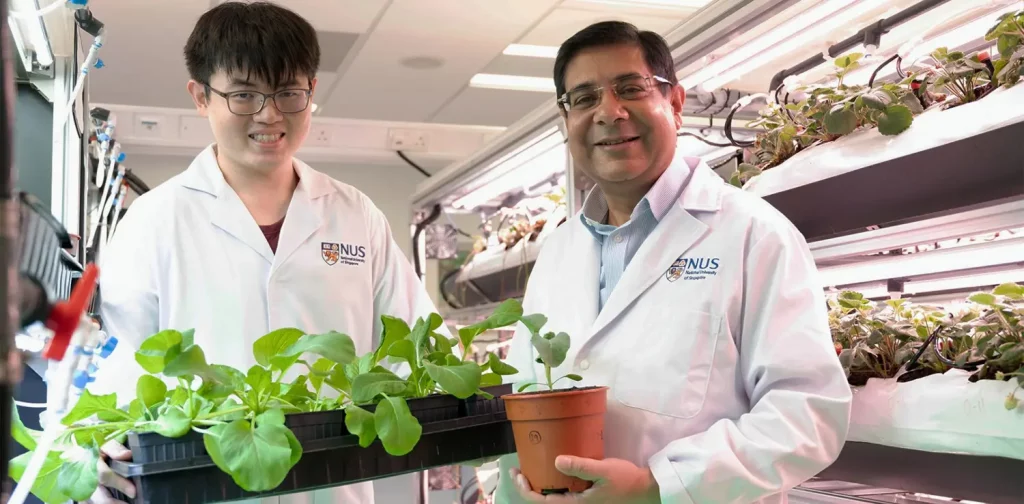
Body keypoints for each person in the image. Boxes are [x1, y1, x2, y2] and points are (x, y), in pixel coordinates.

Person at [85, 2, 443, 503]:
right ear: (200, 97)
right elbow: (116, 372)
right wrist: (99, 447)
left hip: (330, 489)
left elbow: (418, 345)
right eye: (245, 94)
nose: (270, 114)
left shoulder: (356, 216)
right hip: (199, 490)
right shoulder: (153, 222)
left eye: (288, 93)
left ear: (311, 92)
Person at [495, 21, 853, 504]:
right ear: (565, 121)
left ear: (676, 104)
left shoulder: (753, 234)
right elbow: (522, 399)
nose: (609, 112)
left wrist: (656, 486)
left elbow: (807, 414)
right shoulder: (559, 252)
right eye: (583, 99)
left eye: (630, 88)